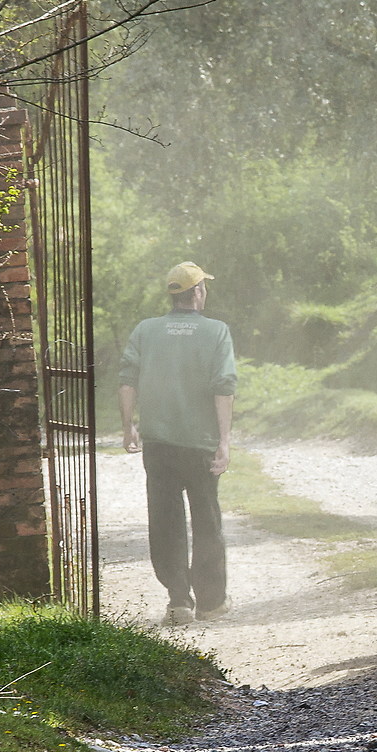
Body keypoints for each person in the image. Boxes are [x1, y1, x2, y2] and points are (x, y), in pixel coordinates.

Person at [118, 262, 236, 624]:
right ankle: (212, 603)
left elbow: (127, 380)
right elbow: (223, 387)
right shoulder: (217, 332)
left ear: (173, 294)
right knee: (206, 520)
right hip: (199, 445)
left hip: (159, 443)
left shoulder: (146, 330)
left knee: (165, 520)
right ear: (198, 292)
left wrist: (129, 427)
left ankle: (179, 601)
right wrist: (224, 441)